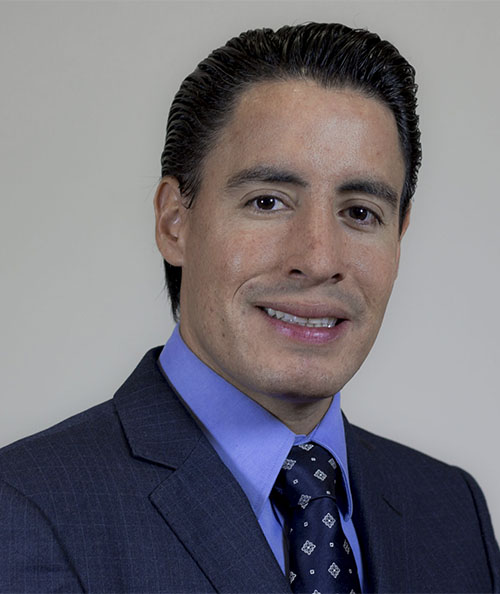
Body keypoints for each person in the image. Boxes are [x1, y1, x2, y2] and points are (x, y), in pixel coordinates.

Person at [0, 22, 498, 594]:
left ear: (399, 236)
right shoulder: (27, 512)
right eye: (268, 202)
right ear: (174, 222)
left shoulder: (452, 510)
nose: (318, 259)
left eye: (360, 212)